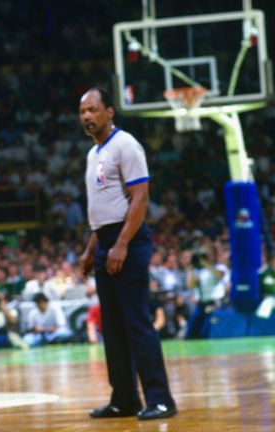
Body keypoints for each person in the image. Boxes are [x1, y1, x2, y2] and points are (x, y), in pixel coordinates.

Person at [78, 87, 177, 420]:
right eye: (82, 112)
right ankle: (124, 399)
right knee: (113, 327)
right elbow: (103, 210)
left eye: (93, 110)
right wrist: (92, 249)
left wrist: (120, 244)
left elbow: (140, 199)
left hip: (129, 241)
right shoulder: (93, 154)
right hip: (106, 240)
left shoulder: (126, 145)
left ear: (109, 112)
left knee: (137, 322)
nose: (87, 117)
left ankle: (161, 399)